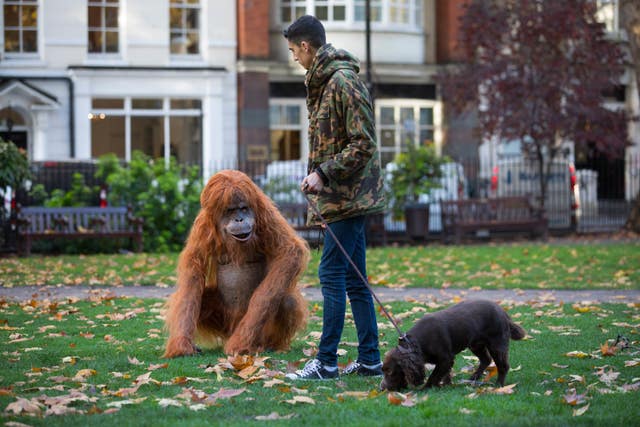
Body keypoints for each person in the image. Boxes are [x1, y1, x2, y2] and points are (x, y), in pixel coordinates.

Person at [283, 15, 386, 380]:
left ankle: (326, 362)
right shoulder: (324, 84)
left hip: (351, 198)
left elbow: (364, 144)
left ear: (307, 47)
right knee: (355, 280)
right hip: (341, 197)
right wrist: (318, 175)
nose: (294, 57)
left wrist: (323, 172)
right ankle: (371, 360)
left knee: (331, 273)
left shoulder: (343, 81)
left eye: (294, 50)